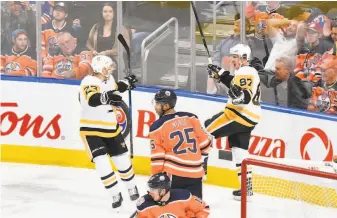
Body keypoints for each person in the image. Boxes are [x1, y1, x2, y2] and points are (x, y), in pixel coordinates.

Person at [78, 55, 139, 208]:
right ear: (101, 68)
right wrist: (107, 97)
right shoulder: (89, 81)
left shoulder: (109, 79)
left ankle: (131, 187)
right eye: (109, 66)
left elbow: (114, 91)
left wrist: (125, 83)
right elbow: (93, 99)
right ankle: (115, 194)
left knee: (122, 160)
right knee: (102, 161)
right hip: (91, 129)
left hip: (111, 127)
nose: (112, 69)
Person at [205, 44, 261, 201]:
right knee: (240, 152)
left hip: (238, 114)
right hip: (250, 117)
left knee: (205, 130)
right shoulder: (244, 72)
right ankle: (246, 190)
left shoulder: (246, 71)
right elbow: (235, 84)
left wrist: (239, 95)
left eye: (235, 56)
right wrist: (220, 74)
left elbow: (244, 96)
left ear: (244, 58)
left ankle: (200, 171)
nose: (232, 59)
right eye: (232, 56)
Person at [148, 89, 212, 199]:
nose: (155, 107)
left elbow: (157, 158)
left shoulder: (157, 127)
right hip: (196, 172)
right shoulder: (191, 117)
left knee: (174, 209)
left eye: (158, 104)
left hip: (174, 174)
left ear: (166, 106)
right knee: (195, 208)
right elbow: (205, 145)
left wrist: (156, 177)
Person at [132, 172, 210, 218]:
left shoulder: (183, 198)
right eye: (149, 189)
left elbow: (204, 208)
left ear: (163, 191)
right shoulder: (145, 205)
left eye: (153, 189)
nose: (149, 192)